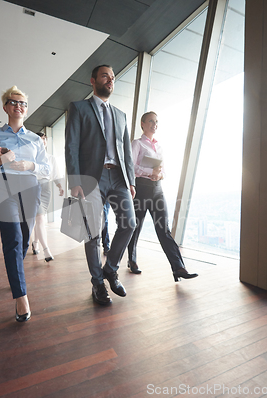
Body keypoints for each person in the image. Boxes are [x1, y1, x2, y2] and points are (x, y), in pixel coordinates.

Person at [65, 64, 136, 305]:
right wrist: (75, 180)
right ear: (93, 81)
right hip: (90, 178)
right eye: (105, 75)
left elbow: (126, 152)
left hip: (118, 178)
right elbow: (71, 146)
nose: (110, 79)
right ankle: (97, 283)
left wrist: (131, 181)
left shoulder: (121, 115)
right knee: (93, 232)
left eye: (113, 77)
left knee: (129, 223)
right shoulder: (79, 108)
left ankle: (110, 269)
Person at [0, 86, 50, 322]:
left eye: (22, 103)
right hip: (3, 188)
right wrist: (2, 159)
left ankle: (14, 273)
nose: (18, 106)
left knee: (23, 237)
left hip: (30, 188)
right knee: (13, 238)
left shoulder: (35, 139)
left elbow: (46, 169)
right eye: (13, 102)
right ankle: (21, 296)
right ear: (5, 107)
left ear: (26, 109)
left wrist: (30, 166)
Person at [127, 111, 198, 282]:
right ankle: (132, 260)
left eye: (156, 121)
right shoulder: (136, 144)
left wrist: (159, 175)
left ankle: (178, 268)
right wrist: (150, 172)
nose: (154, 124)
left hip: (157, 190)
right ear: (142, 124)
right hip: (141, 189)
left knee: (164, 229)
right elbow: (130, 167)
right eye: (151, 121)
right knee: (135, 227)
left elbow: (163, 170)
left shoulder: (159, 147)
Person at [30, 131, 65, 262]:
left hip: (46, 189)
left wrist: (60, 186)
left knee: (39, 218)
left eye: (44, 139)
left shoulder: (51, 158)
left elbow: (55, 175)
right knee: (39, 219)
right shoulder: (30, 156)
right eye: (39, 138)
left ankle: (35, 243)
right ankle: (46, 250)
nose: (42, 141)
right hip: (32, 187)